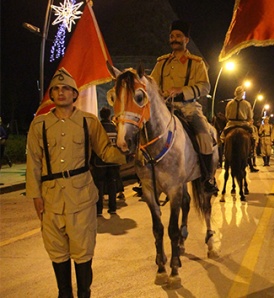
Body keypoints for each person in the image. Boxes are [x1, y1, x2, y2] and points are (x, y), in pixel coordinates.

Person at [26, 68, 127, 297]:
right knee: (57, 254)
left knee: (82, 255)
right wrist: (36, 196)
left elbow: (105, 152)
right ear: (51, 94)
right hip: (51, 201)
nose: (61, 93)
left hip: (81, 199)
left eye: (67, 89)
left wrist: (129, 153)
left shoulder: (88, 122)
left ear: (74, 94)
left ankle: (84, 294)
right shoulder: (39, 125)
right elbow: (33, 161)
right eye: (57, 89)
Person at [150, 20, 217, 193]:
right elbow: (151, 84)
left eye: (178, 36)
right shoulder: (161, 63)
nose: (174, 39)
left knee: (205, 137)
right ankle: (145, 176)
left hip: (189, 109)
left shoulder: (196, 63)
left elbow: (205, 87)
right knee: (143, 132)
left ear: (186, 39)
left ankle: (208, 177)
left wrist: (182, 90)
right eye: (172, 36)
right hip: (165, 109)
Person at [90, 107, 120, 216]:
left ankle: (98, 210)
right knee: (112, 184)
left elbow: (93, 145)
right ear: (109, 115)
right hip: (113, 160)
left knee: (99, 186)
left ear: (101, 115)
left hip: (100, 161)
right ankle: (113, 208)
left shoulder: (98, 128)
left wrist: (91, 161)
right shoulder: (115, 128)